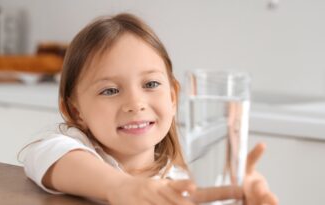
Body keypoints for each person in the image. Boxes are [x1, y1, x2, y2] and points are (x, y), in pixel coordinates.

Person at [20, 13, 278, 205]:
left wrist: (238, 197)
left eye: (151, 84)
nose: (135, 103)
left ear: (173, 96)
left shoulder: (182, 185)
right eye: (109, 90)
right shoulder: (72, 153)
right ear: (76, 112)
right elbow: (45, 154)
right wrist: (121, 187)